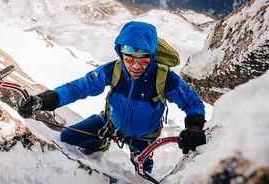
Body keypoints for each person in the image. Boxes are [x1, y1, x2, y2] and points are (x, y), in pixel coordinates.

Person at [18, 21, 206, 173]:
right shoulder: (113, 70)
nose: (136, 66)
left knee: (143, 171)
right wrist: (43, 100)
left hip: (143, 137)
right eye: (130, 59)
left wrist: (194, 126)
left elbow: (192, 102)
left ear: (152, 56)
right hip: (109, 125)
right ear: (121, 55)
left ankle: (131, 158)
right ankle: (99, 145)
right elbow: (79, 87)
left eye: (144, 59)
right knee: (67, 137)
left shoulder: (164, 78)